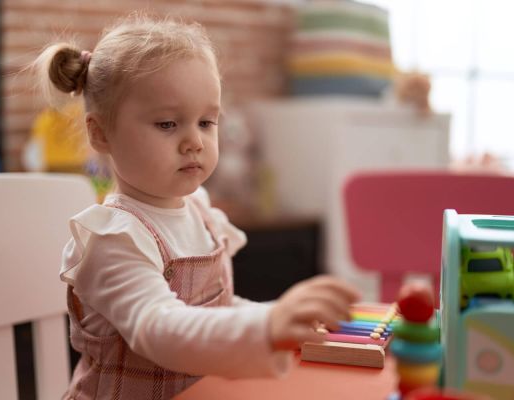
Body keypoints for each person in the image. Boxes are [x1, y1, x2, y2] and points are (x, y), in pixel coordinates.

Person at [36, 14, 360, 400]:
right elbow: (160, 329)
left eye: (207, 122)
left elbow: (213, 309)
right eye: (168, 124)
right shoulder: (113, 238)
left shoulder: (201, 213)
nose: (194, 141)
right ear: (100, 133)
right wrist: (267, 325)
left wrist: (281, 320)